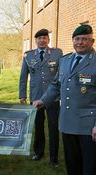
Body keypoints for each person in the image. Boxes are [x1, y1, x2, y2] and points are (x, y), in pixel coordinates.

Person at [33, 24, 96, 175]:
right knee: (73, 167)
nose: (80, 42)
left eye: (84, 39)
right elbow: (56, 85)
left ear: (92, 41)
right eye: (77, 39)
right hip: (68, 123)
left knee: (90, 169)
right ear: (73, 41)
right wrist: (43, 100)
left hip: (89, 127)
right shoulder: (65, 60)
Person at [19, 29, 62, 167]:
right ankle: (38, 152)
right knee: (38, 126)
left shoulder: (57, 53)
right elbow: (23, 77)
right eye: (39, 38)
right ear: (35, 41)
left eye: (44, 38)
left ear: (48, 40)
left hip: (53, 97)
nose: (42, 40)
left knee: (53, 127)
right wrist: (22, 95)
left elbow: (61, 75)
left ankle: (54, 158)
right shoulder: (28, 56)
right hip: (36, 96)